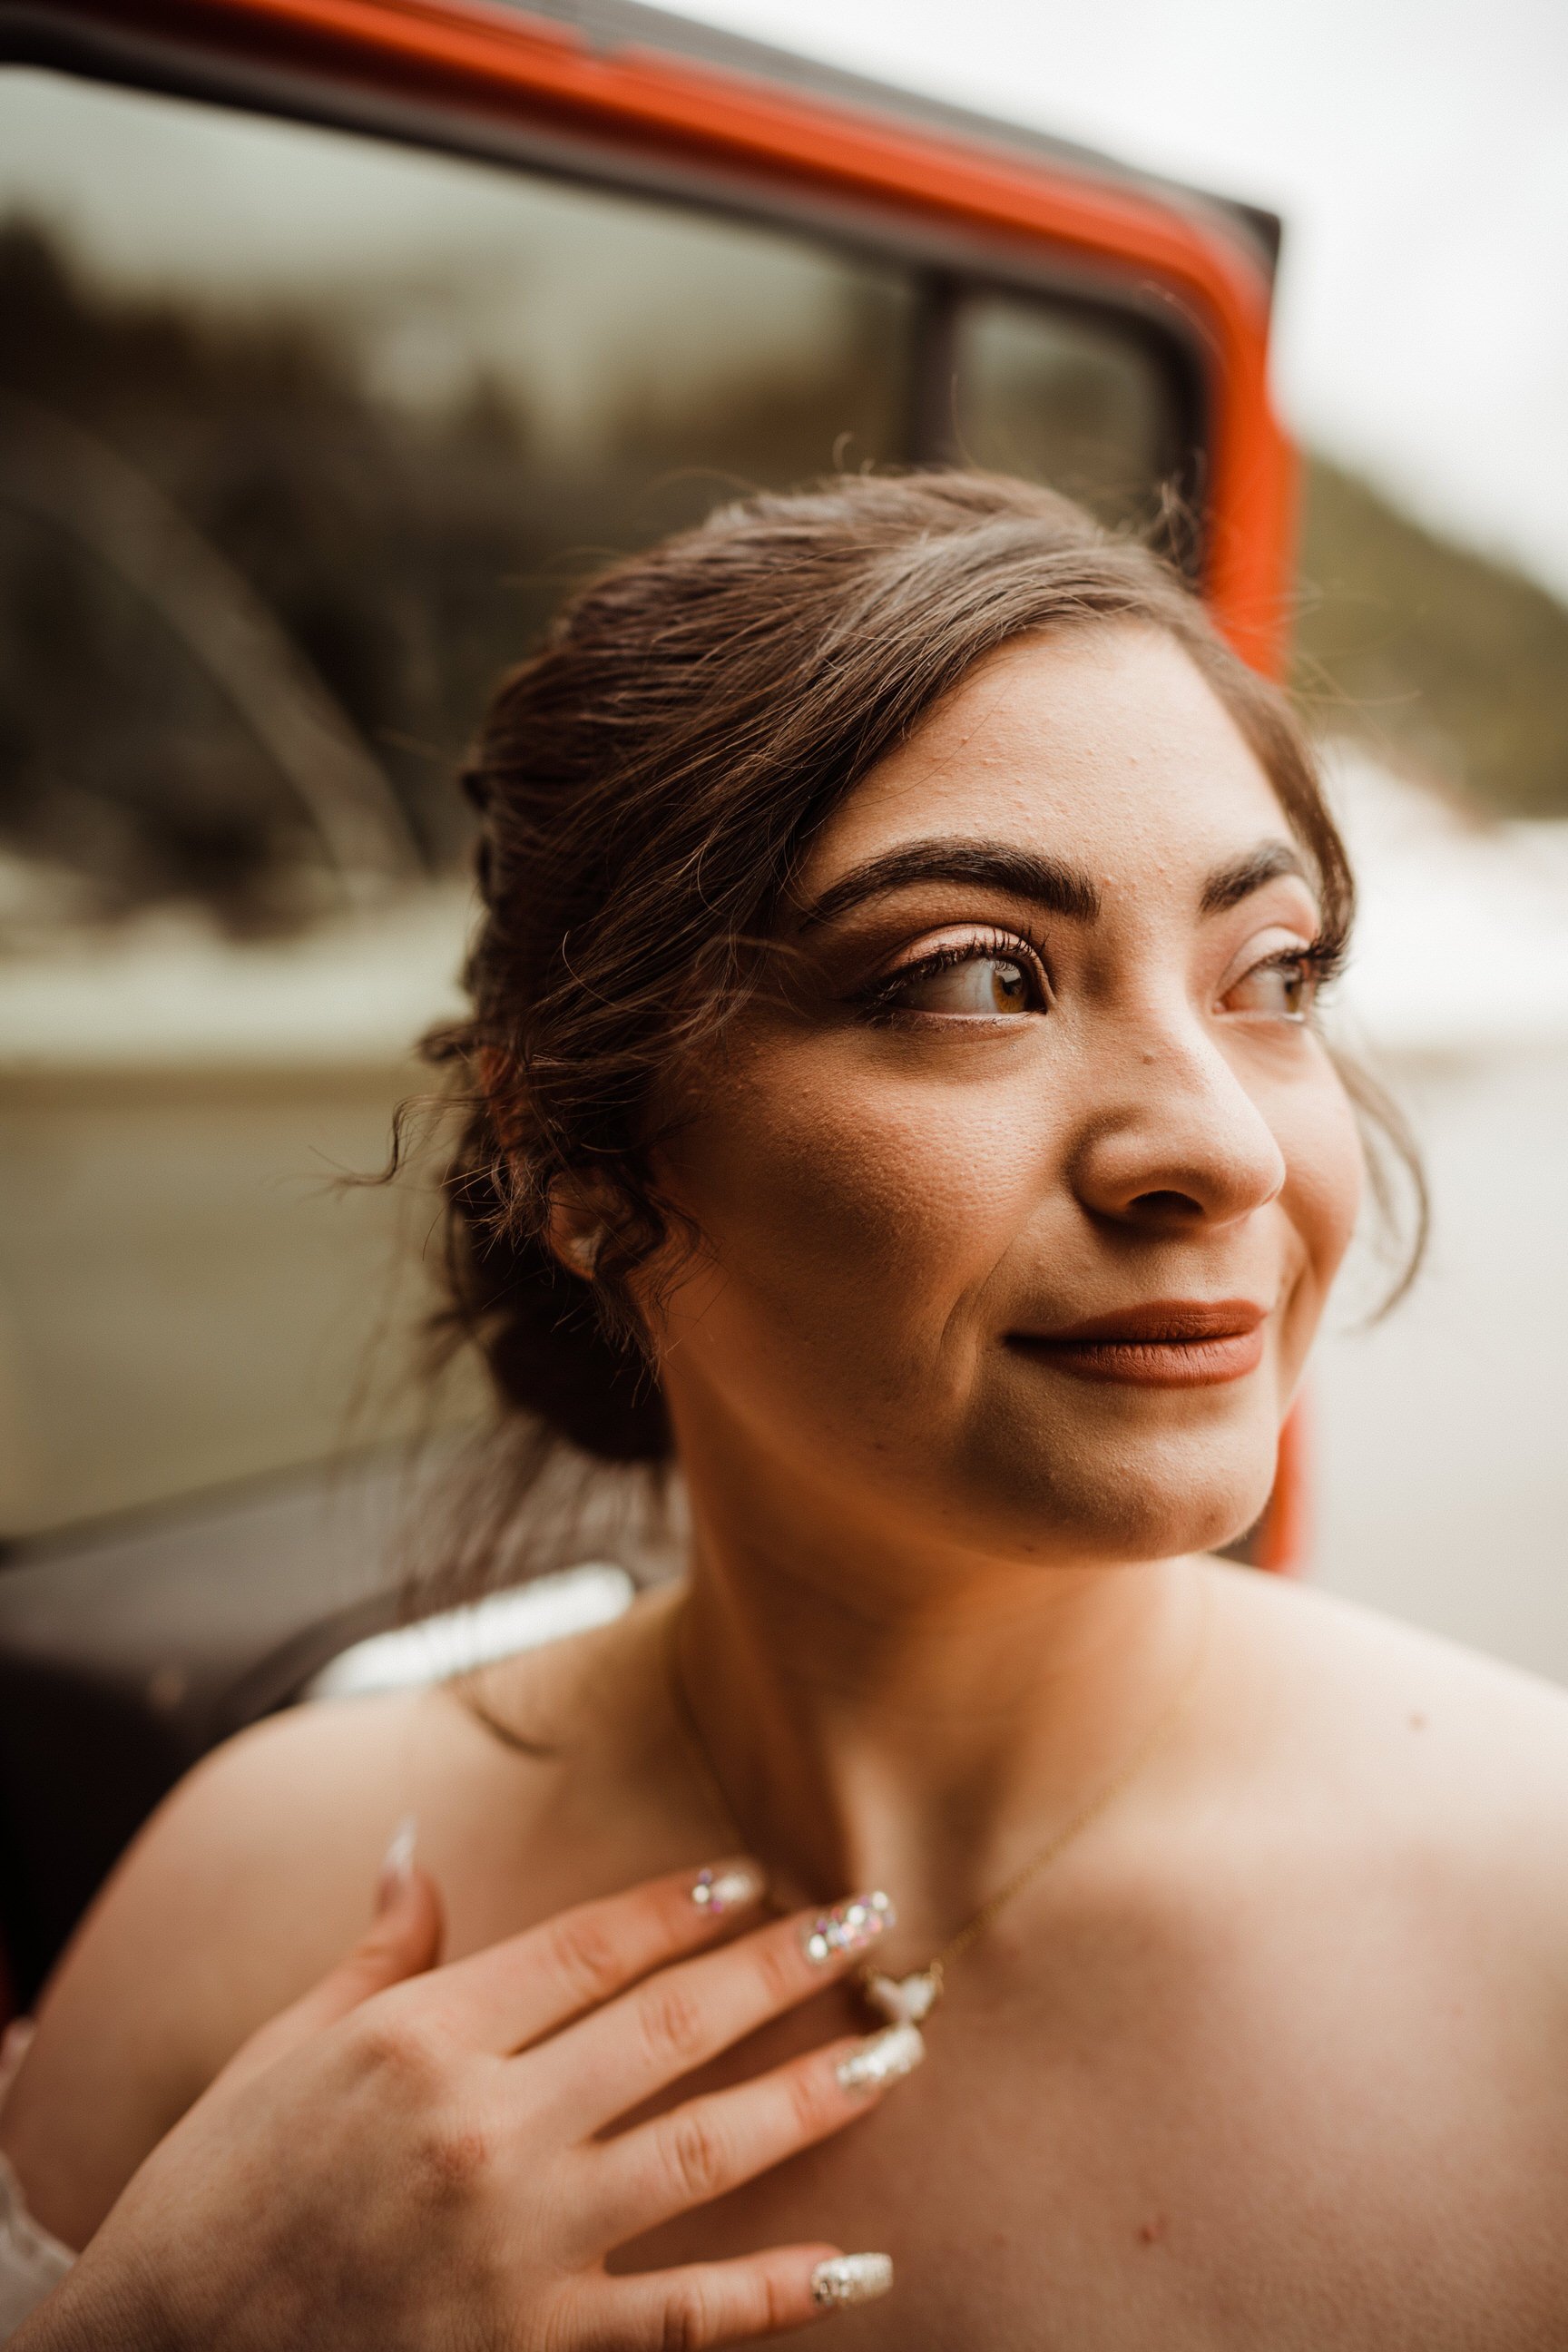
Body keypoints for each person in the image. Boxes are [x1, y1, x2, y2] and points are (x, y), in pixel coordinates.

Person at [5, 471, 1567, 2347]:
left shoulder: (1537, 1935)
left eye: (1275, 976)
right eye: (978, 980)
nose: (1221, 1148)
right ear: (573, 1155)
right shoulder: (249, 1915)